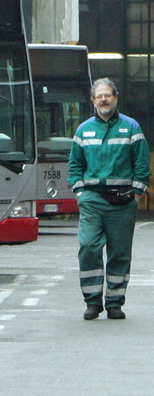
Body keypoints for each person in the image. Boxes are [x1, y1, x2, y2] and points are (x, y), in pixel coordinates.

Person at [68, 78, 150, 320]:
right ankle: (92, 302)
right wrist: (81, 193)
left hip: (123, 202)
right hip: (92, 199)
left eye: (108, 95)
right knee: (89, 247)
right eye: (99, 96)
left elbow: (142, 164)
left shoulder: (131, 127)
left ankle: (115, 302)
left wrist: (136, 194)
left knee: (120, 252)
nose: (103, 99)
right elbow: (75, 165)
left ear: (116, 98)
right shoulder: (83, 130)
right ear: (93, 101)